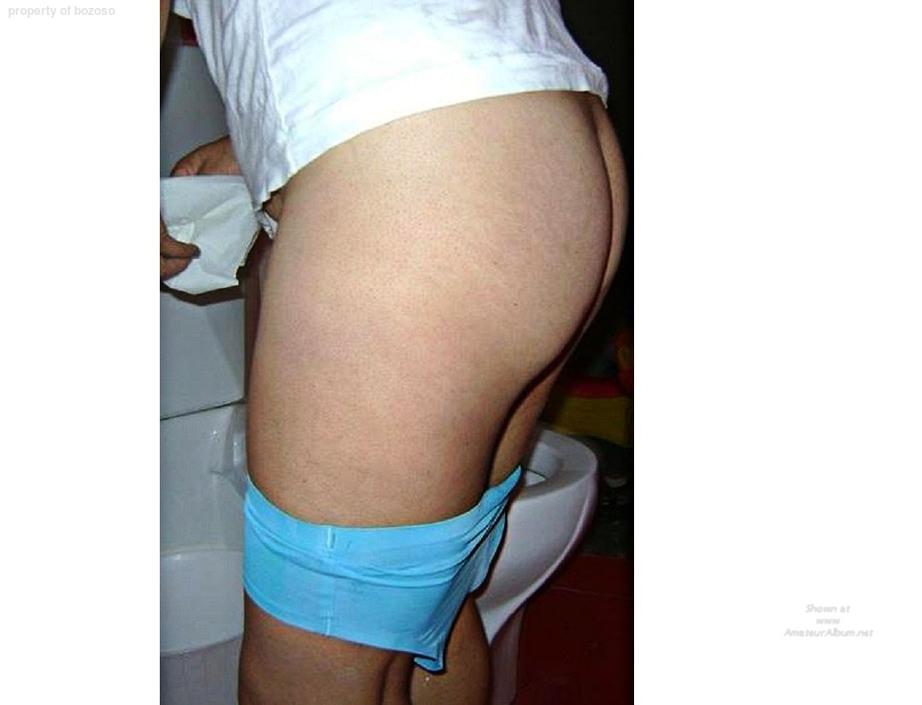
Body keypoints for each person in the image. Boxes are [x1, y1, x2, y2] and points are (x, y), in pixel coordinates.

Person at [162, 2, 626, 704]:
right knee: (426, 615)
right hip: (547, 141)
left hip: (420, 174)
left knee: (304, 672)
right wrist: (255, 139)